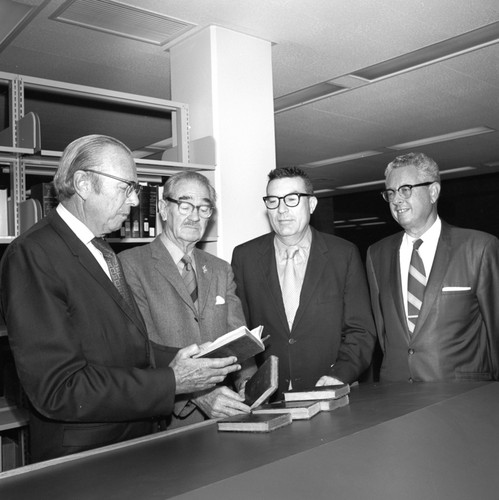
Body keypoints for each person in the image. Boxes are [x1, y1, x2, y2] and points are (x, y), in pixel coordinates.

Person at [0, 135, 241, 462]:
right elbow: (58, 388)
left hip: (129, 446)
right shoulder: (34, 254)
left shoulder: (101, 250)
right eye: (125, 188)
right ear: (84, 183)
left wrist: (184, 357)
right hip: (85, 460)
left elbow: (121, 345)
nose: (132, 201)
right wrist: (172, 380)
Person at [119, 172, 255, 426]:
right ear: (162, 208)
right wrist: (200, 395)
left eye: (204, 208)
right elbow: (141, 352)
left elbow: (239, 340)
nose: (194, 216)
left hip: (227, 410)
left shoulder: (220, 269)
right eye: (185, 205)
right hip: (167, 417)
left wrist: (248, 385)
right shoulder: (129, 265)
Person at [231, 167, 376, 399]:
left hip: (328, 392)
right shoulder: (244, 257)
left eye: (291, 199)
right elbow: (240, 332)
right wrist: (247, 381)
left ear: (311, 205)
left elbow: (360, 330)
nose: (281, 209)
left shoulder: (343, 255)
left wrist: (339, 375)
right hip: (269, 399)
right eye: (273, 200)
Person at [366, 152, 499, 382]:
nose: (396, 199)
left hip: (462, 396)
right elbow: (383, 332)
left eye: (405, 189)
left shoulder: (479, 248)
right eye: (390, 193)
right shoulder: (377, 254)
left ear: (433, 192)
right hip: (397, 395)